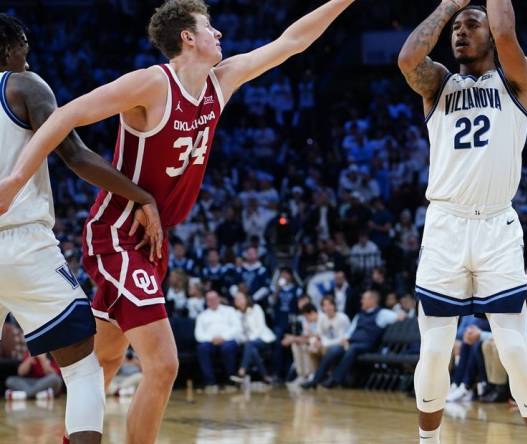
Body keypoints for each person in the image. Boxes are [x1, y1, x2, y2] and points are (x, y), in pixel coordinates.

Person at [0, 2, 356, 442]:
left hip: (154, 240)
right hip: (118, 233)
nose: (220, 34)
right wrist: (16, 177)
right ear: (188, 37)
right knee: (164, 365)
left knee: (106, 359)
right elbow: (67, 114)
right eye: (210, 27)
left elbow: (293, 41)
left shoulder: (220, 82)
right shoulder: (152, 84)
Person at [0, 13, 163, 444]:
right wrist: (139, 195)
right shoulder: (23, 85)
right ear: (10, 49)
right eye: (24, 52)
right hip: (20, 243)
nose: (28, 61)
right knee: (82, 368)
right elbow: (75, 155)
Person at [397, 0, 527, 442]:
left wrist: (487, 13)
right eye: (456, 29)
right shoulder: (438, 84)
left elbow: (505, 33)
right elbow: (407, 59)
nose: (460, 33)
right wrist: (447, 6)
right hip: (445, 224)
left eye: (471, 25)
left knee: (515, 349)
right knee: (434, 349)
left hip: (497, 227)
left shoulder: (516, 81)